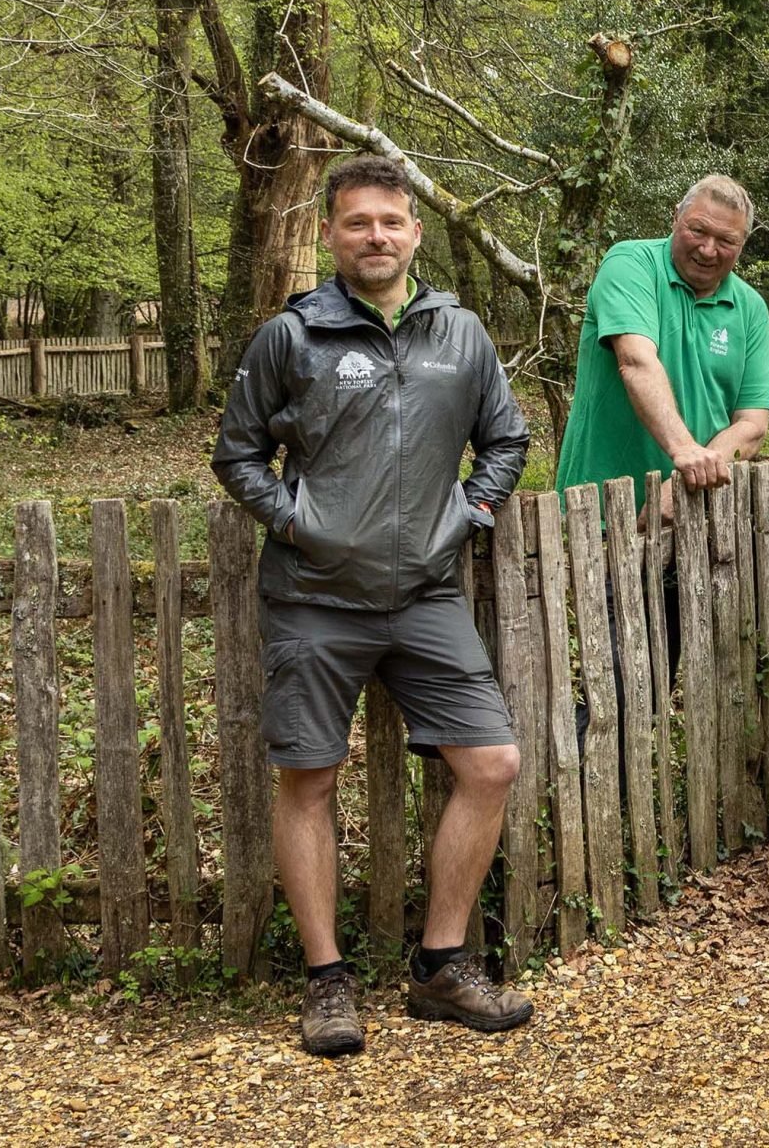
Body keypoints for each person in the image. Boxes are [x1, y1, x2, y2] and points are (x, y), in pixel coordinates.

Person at [213, 154, 535, 1057]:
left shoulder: (460, 333)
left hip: (427, 594)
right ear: (329, 233)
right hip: (315, 598)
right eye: (357, 222)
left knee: (493, 763)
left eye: (391, 222)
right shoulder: (292, 336)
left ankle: (440, 966)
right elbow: (236, 455)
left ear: (415, 231)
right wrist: (301, 524)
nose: (376, 236)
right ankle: (326, 984)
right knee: (310, 778)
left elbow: (505, 438)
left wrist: (470, 512)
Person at [555, 174, 769, 514]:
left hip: (700, 514)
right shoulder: (630, 265)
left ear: (743, 243)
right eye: (697, 230)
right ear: (676, 217)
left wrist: (690, 478)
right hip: (599, 513)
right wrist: (684, 451)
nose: (707, 249)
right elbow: (635, 361)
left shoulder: (751, 309)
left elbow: (753, 424)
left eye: (726, 240)